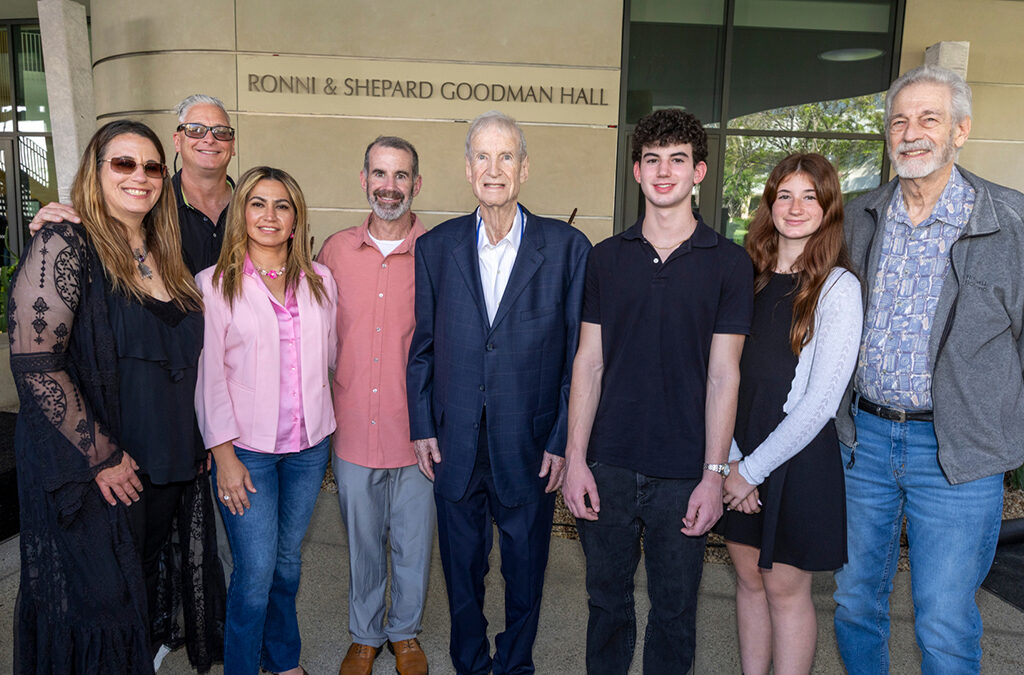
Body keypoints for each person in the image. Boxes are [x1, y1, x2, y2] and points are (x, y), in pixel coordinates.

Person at [833, 64, 1024, 674]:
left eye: (929, 119)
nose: (911, 132)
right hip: (862, 442)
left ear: (961, 130)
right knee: (854, 599)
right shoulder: (860, 216)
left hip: (958, 453)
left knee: (943, 615)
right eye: (899, 120)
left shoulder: (1011, 223)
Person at [9, 119, 206, 673]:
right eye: (123, 163)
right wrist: (101, 455)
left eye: (150, 167)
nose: (139, 176)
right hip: (101, 469)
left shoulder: (169, 251)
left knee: (138, 591)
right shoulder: (63, 242)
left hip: (166, 464)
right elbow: (36, 363)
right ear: (94, 174)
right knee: (97, 605)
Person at [562, 107, 752, 673]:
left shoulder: (730, 264)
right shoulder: (605, 258)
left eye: (677, 160)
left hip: (684, 473)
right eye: (652, 160)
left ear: (699, 172)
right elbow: (588, 364)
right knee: (606, 605)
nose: (663, 172)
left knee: (674, 613)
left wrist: (713, 475)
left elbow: (725, 376)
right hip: (609, 464)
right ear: (637, 173)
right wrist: (575, 458)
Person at [407, 110, 590, 675]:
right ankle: (469, 664)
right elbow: (424, 346)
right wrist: (422, 425)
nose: (493, 169)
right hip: (455, 443)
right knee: (461, 574)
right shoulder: (436, 247)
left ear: (524, 169)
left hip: (530, 445)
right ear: (467, 170)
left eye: (505, 156)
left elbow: (577, 359)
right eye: (482, 157)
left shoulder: (567, 248)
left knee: (525, 572)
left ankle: (515, 666)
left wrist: (561, 439)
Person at [715, 153, 862, 675]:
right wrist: (732, 461)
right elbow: (721, 374)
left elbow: (821, 402)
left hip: (796, 457)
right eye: (784, 195)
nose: (795, 207)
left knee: (783, 588)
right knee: (749, 579)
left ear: (827, 208)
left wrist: (751, 471)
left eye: (809, 196)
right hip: (736, 451)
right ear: (769, 204)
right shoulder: (745, 276)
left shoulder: (838, 289)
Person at [195, 166, 338, 675]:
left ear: (296, 219)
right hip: (246, 450)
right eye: (258, 203)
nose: (269, 215)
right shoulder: (213, 285)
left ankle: (282, 661)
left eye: (282, 205)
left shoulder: (321, 281)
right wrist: (224, 455)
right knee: (254, 573)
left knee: (287, 563)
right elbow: (210, 377)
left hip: (307, 447)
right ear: (242, 214)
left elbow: (330, 357)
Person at [317, 136, 432, 675]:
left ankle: (404, 633)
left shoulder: (440, 250)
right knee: (362, 544)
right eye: (380, 174)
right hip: (354, 431)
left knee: (413, 542)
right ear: (364, 180)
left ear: (417, 184)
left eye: (401, 175)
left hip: (419, 433)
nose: (390, 186)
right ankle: (365, 634)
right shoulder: (333, 252)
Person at [30, 93, 235, 276]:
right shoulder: (145, 204)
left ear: (232, 145)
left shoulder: (256, 209)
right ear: (177, 141)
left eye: (221, 131)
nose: (209, 139)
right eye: (195, 130)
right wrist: (63, 227)